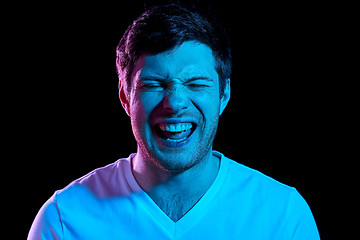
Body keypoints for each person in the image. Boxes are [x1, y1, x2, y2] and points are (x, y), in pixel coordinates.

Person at [28, 4, 320, 239]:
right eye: (154, 84)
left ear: (223, 95)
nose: (175, 103)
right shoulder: (64, 219)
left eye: (195, 83)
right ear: (125, 98)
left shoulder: (283, 215)